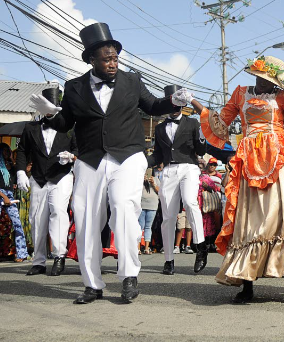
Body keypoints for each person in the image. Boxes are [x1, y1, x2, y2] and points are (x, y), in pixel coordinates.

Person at [29, 22, 183, 304]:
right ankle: (92, 284)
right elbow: (66, 124)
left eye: (115, 58)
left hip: (128, 156)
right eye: (106, 59)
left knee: (124, 209)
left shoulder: (132, 80)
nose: (113, 63)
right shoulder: (74, 87)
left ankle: (128, 276)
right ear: (91, 60)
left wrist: (173, 102)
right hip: (90, 159)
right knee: (86, 217)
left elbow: (151, 106)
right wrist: (50, 114)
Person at [182, 55, 284, 305]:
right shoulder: (240, 94)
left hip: (279, 158)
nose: (264, 83)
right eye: (261, 77)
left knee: (281, 218)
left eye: (269, 80)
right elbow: (220, 126)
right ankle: (247, 282)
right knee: (248, 220)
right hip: (249, 160)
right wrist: (194, 102)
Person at [17, 87, 77, 276]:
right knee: (36, 218)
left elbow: (81, 148)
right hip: (38, 178)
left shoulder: (70, 128)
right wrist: (20, 171)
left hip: (62, 176)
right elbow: (22, 151)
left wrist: (72, 156)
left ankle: (59, 256)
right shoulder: (31, 127)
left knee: (59, 213)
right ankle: (39, 260)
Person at [148, 84, 207, 276]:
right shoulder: (159, 128)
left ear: (183, 105)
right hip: (169, 170)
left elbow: (201, 151)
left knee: (190, 202)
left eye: (178, 104)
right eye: (171, 104)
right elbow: (157, 155)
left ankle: (200, 247)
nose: (175, 108)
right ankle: (168, 260)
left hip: (189, 167)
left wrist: (202, 137)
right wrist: (141, 161)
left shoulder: (192, 123)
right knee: (168, 216)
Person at [0, 143, 27, 262]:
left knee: (17, 224)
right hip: (1, 194)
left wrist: (11, 159)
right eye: (4, 151)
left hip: (10, 195)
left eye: (8, 150)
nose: (7, 152)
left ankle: (21, 253)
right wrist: (4, 197)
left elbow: (17, 174)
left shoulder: (10, 166)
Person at [139, 168, 159, 255]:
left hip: (152, 205)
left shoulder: (156, 179)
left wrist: (153, 183)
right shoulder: (138, 179)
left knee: (148, 227)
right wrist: (140, 181)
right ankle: (138, 248)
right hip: (141, 205)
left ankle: (147, 247)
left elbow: (159, 191)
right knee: (140, 226)